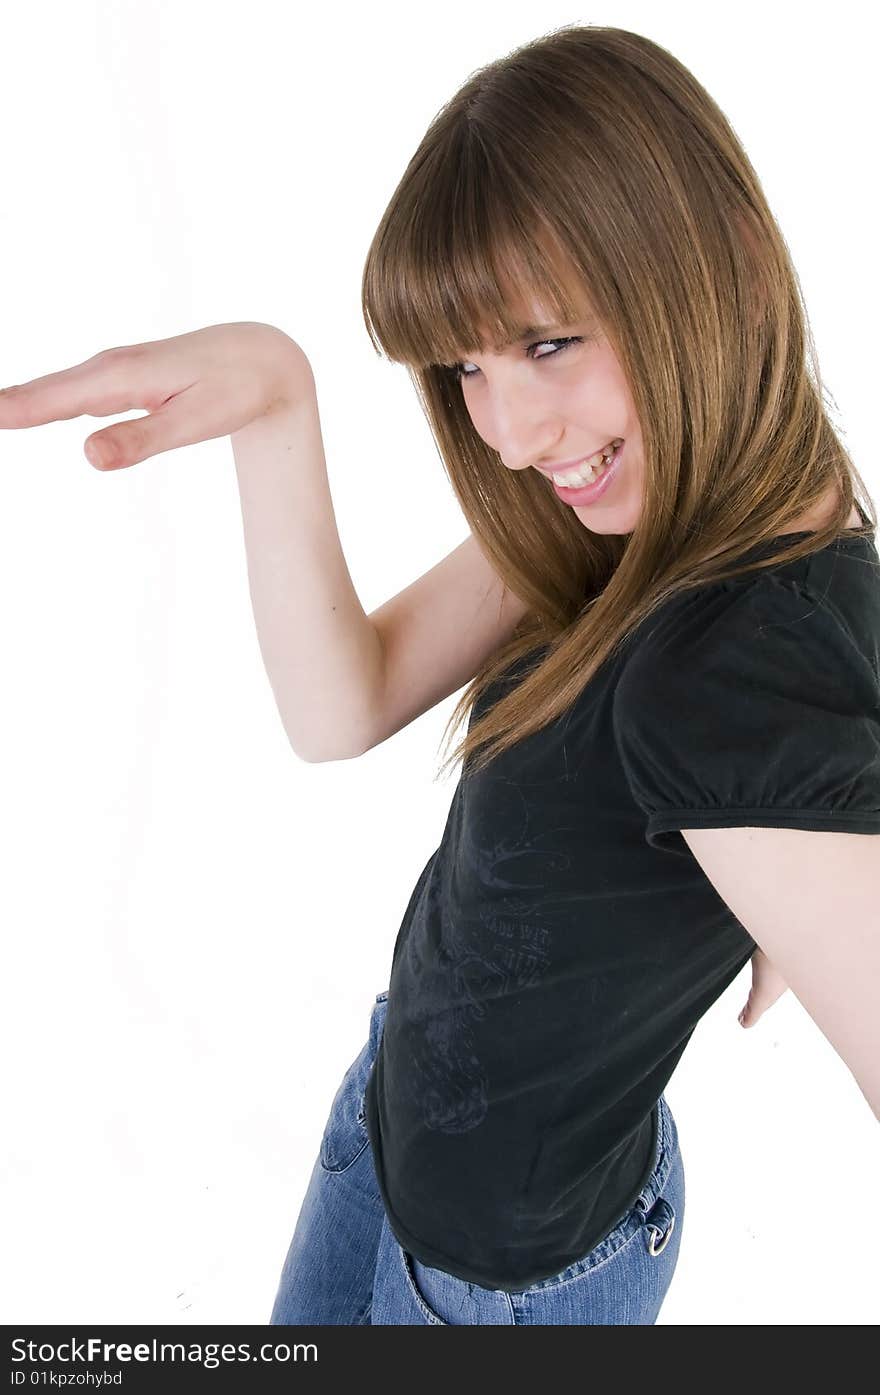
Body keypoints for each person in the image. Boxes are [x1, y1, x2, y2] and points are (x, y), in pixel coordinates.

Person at [1, 24, 876, 1325]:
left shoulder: (737, 668)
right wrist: (277, 406)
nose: (514, 435)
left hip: (508, 1281)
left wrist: (801, 844)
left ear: (732, 263)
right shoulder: (632, 519)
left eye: (547, 342)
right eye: (467, 366)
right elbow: (337, 706)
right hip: (389, 1120)